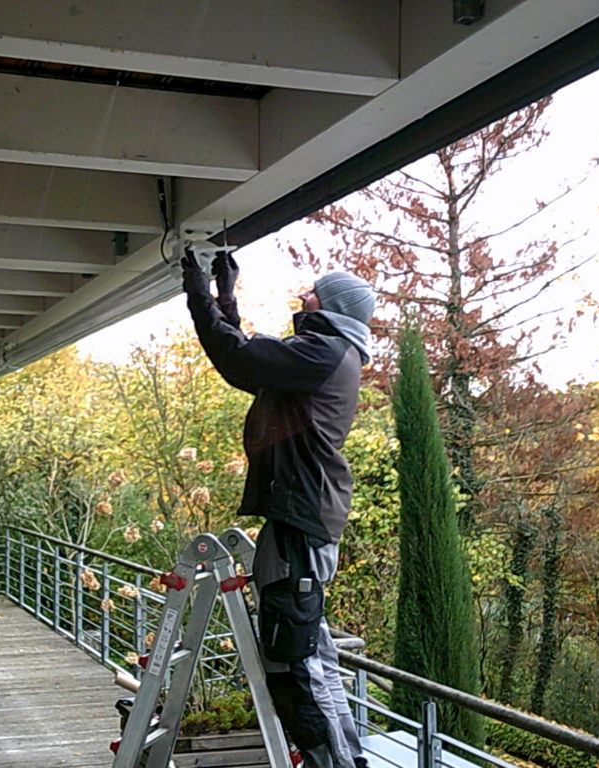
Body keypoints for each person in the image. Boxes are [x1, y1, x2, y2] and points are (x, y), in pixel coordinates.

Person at [181, 249, 375, 768]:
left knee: (292, 656)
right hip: (301, 514)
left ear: (332, 305)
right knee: (310, 652)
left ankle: (329, 761)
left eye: (314, 290)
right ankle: (343, 758)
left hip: (301, 517)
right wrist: (224, 297)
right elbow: (248, 362)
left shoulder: (325, 352)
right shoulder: (324, 353)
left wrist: (200, 294)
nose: (304, 294)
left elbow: (240, 356)